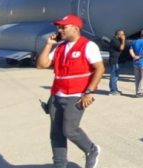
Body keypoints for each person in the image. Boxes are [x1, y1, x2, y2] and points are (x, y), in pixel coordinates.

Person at [36, 14, 104, 168]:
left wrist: (89, 91)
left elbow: (99, 68)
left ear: (75, 28)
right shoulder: (60, 47)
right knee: (56, 133)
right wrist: (48, 45)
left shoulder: (88, 46)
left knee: (70, 129)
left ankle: (91, 149)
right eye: (58, 27)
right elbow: (41, 64)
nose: (60, 30)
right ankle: (59, 164)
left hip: (77, 94)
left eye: (63, 27)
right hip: (57, 94)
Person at [129, 29, 143, 98]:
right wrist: (140, 56)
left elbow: (130, 50)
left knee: (137, 78)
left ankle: (137, 91)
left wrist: (134, 56)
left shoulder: (135, 42)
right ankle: (139, 92)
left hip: (136, 62)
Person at [108, 29, 125, 95]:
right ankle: (113, 90)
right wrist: (123, 40)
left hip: (118, 60)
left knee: (116, 75)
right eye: (122, 34)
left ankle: (114, 88)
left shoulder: (118, 40)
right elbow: (121, 48)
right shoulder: (114, 40)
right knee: (114, 75)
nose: (123, 36)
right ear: (118, 34)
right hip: (115, 60)